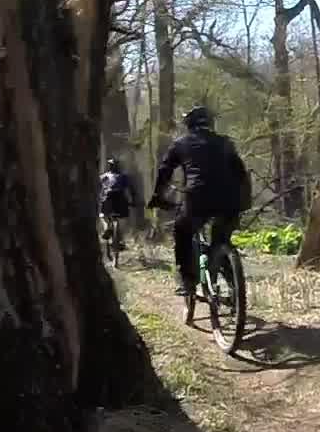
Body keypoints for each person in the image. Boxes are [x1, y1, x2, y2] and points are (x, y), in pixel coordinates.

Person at [148, 106, 251, 296]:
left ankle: (187, 281)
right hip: (231, 199)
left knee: (182, 231)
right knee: (221, 239)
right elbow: (241, 173)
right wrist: (244, 201)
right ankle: (232, 284)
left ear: (188, 124)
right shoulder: (225, 143)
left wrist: (157, 197)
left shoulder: (181, 143)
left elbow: (164, 171)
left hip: (198, 197)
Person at [97, 157, 137, 241]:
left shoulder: (104, 177)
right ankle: (120, 238)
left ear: (109, 166)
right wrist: (133, 201)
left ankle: (108, 228)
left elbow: (99, 190)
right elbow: (130, 189)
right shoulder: (123, 176)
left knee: (103, 215)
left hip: (108, 199)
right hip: (120, 198)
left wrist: (98, 199)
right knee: (123, 218)